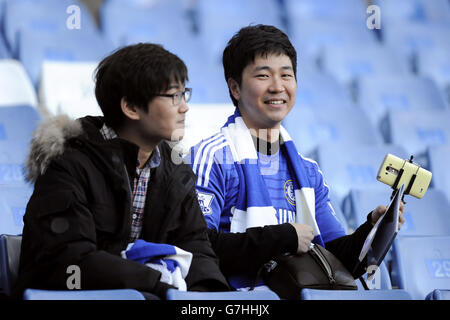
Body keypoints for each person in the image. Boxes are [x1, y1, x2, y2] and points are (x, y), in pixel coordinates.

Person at [186, 25, 405, 290]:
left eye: (286, 75)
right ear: (235, 88)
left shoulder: (308, 171)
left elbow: (334, 260)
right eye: (263, 76)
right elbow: (196, 247)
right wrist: (283, 237)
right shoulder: (212, 157)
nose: (277, 87)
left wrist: (371, 231)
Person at [14, 43, 229, 299]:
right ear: (131, 108)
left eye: (185, 94)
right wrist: (158, 285)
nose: (184, 107)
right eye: (173, 96)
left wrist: (202, 296)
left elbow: (197, 248)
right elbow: (70, 260)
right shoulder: (69, 163)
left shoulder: (176, 171)